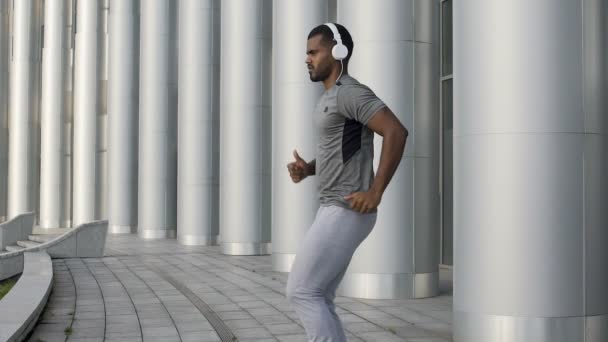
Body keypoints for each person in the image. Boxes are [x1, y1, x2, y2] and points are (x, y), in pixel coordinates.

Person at [285, 23, 408, 341]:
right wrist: (309, 169)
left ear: (338, 51)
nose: (307, 59)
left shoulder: (350, 92)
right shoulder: (330, 97)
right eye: (306, 53)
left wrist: (376, 192)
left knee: (302, 291)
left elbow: (396, 131)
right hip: (333, 208)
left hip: (346, 209)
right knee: (319, 295)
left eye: (314, 52)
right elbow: (341, 149)